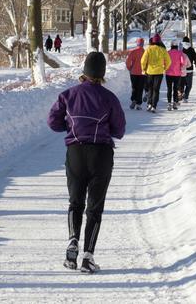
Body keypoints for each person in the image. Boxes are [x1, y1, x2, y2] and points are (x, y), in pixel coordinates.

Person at [47, 52, 126, 273]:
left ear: (84, 71)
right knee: (95, 207)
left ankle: (73, 242)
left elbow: (53, 121)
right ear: (102, 74)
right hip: (101, 155)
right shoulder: (109, 98)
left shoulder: (68, 95)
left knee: (75, 202)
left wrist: (72, 128)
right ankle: (88, 257)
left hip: (75, 153)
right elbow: (119, 130)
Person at [140, 34, 170, 113]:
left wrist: (143, 68)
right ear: (159, 41)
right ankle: (154, 106)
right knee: (156, 89)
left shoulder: (149, 49)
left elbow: (143, 60)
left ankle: (149, 104)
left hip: (149, 71)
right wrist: (165, 68)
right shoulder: (163, 49)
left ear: (153, 41)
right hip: (159, 72)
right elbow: (169, 61)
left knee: (150, 89)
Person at [165, 41, 189, 110]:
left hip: (168, 73)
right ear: (177, 47)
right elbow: (183, 62)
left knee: (169, 89)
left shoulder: (168, 53)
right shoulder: (180, 53)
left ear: (171, 46)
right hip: (177, 74)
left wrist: (165, 68)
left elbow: (164, 61)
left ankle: (169, 103)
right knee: (175, 89)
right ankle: (175, 103)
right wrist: (180, 67)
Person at [125, 38, 146, 109]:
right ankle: (138, 104)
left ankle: (133, 99)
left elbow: (128, 61)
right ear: (143, 44)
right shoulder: (145, 52)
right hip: (142, 73)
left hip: (133, 72)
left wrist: (129, 68)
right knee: (140, 88)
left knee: (134, 87)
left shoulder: (133, 51)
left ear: (137, 43)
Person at [180, 36, 196, 102]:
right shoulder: (191, 49)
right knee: (189, 85)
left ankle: (181, 94)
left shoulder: (181, 49)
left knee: (181, 84)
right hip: (189, 70)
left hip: (181, 70)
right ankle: (185, 97)